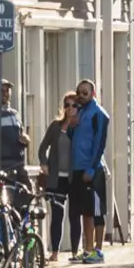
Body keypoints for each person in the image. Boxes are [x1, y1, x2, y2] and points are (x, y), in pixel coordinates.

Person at [70, 79, 111, 263]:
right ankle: (87, 250)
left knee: (96, 211)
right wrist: (72, 125)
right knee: (85, 211)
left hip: (93, 169)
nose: (81, 96)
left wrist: (92, 168)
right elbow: (73, 138)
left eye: (85, 93)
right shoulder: (79, 113)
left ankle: (98, 250)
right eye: (79, 92)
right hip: (78, 168)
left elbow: (100, 143)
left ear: (93, 94)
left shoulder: (98, 113)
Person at [39, 95, 77, 258]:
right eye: (67, 105)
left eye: (74, 105)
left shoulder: (79, 127)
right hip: (56, 178)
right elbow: (42, 148)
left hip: (74, 177)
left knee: (74, 215)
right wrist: (44, 163)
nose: (70, 108)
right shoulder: (55, 126)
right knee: (57, 214)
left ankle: (75, 252)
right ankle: (55, 252)